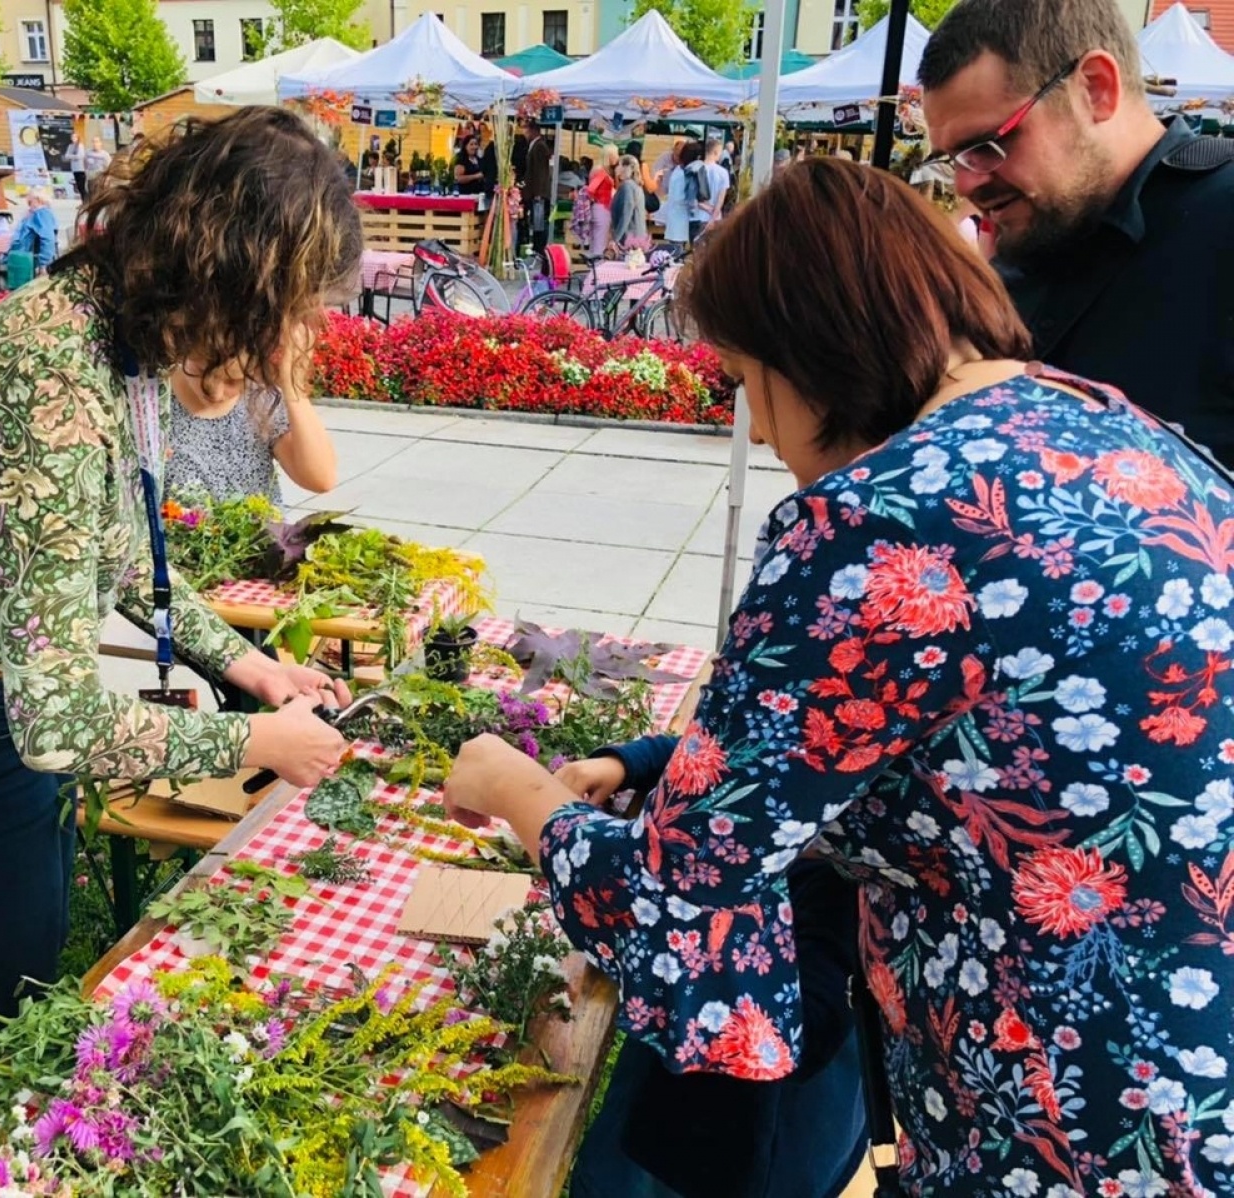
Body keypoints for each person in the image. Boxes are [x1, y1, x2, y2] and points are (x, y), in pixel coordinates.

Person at [441, 158, 1234, 1198]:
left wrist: (518, 792)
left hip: (1058, 1117)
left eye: (745, 383)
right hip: (1190, 1071)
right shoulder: (1105, 424)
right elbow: (973, 751)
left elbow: (683, 907)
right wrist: (651, 764)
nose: (761, 433)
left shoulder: (874, 519)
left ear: (806, 347)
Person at [0, 106, 358, 1027]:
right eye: (284, 306)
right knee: (6, 1009)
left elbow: (122, 558)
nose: (283, 336)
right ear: (230, 271)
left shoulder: (110, 328)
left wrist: (249, 666)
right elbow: (55, 721)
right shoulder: (63, 386)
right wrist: (256, 741)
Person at [920, 0, 1234, 468]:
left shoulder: (1220, 221)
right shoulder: (1031, 243)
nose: (967, 183)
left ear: (1095, 89)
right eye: (954, 160)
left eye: (987, 145)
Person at [562, 742, 866, 1198]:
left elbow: (795, 1040)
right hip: (667, 1092)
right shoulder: (800, 772)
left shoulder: (843, 892)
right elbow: (735, 746)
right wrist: (623, 763)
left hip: (737, 1147)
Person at [164, 360, 337, 503]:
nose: (216, 393)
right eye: (202, 371)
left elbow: (321, 479)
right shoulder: (154, 402)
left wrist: (293, 387)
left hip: (260, 541)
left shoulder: (260, 397)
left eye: (233, 380)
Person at [658, 141, 702, 245]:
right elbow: (683, 198)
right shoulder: (685, 173)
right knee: (677, 250)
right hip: (679, 218)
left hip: (676, 217)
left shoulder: (679, 170)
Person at [522, 119, 553, 257]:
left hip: (538, 192)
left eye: (526, 129)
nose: (525, 132)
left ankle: (539, 248)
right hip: (534, 191)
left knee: (539, 220)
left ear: (533, 130)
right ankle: (536, 246)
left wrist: (538, 193)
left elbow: (540, 172)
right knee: (536, 220)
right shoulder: (534, 145)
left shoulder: (539, 146)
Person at [9, 188, 59, 274]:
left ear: (38, 200)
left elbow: (48, 239)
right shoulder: (44, 213)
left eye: (30, 202)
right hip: (21, 257)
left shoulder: (41, 214)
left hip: (22, 259)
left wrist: (43, 264)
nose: (29, 206)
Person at [607, 154, 647, 253]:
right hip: (636, 236)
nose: (616, 168)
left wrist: (615, 239)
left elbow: (626, 214)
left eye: (618, 165)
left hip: (629, 239)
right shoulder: (636, 186)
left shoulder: (627, 186)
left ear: (625, 168)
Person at [691, 138, 731, 237]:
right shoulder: (723, 172)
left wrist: (705, 207)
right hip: (716, 218)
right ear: (716, 152)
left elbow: (691, 196)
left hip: (697, 217)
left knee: (697, 250)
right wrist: (713, 216)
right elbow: (721, 199)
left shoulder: (694, 170)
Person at [585, 143, 619, 258]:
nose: (618, 157)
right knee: (600, 243)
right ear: (609, 156)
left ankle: (593, 269)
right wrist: (598, 198)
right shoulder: (601, 172)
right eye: (616, 154)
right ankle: (597, 270)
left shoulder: (598, 170)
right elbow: (590, 190)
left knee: (595, 242)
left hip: (599, 208)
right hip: (602, 208)